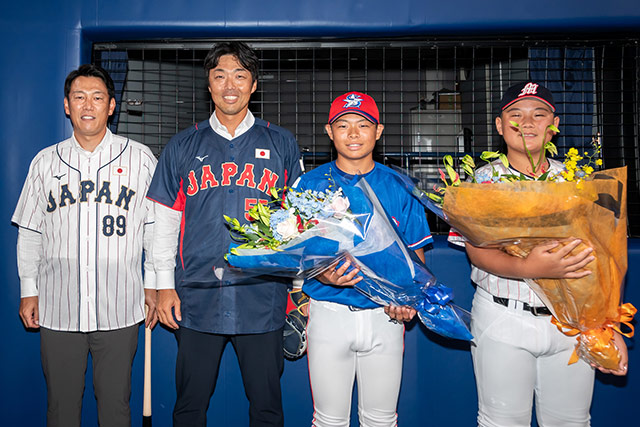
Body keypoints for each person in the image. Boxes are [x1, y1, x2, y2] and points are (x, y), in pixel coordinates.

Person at [449, 81, 629, 427]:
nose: (526, 123)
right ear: (500, 126)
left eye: (538, 114)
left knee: (572, 421)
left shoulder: (578, 180)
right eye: (515, 115)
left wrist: (608, 324)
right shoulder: (479, 184)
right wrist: (527, 266)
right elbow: (476, 252)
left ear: (554, 125)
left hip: (572, 323)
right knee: (501, 421)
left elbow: (605, 260)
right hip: (503, 315)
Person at [147, 41, 302, 427]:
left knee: (267, 409)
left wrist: (300, 288)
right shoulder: (182, 145)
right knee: (189, 408)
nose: (229, 84)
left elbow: (299, 224)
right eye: (219, 76)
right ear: (209, 84)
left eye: (239, 75)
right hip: (196, 297)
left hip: (263, 296)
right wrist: (164, 285)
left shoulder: (281, 142)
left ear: (253, 85)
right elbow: (164, 222)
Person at [13, 64, 158, 427]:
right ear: (67, 105)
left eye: (97, 97)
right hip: (58, 306)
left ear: (111, 105)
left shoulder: (140, 158)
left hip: (120, 307)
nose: (88, 105)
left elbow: (156, 229)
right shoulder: (45, 162)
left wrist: (155, 284)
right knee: (61, 410)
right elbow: (30, 232)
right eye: (79, 97)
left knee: (116, 409)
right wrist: (29, 291)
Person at [293, 91, 433, 427]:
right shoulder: (309, 184)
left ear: (378, 130)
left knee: (382, 420)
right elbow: (296, 255)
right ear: (330, 131)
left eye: (363, 125)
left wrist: (409, 298)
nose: (353, 133)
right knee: (328, 420)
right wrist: (320, 275)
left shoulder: (399, 184)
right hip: (329, 314)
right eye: (343, 125)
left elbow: (416, 255)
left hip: (384, 317)